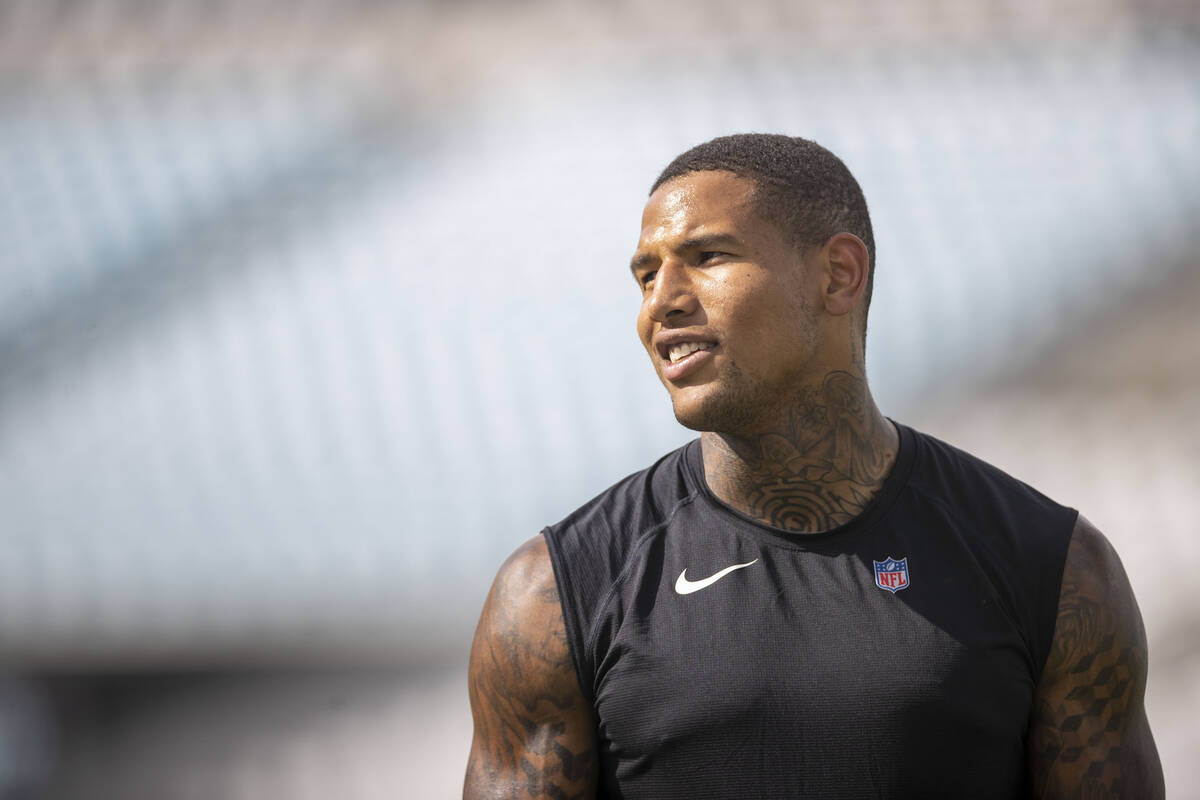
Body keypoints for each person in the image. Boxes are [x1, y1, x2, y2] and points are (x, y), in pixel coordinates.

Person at [462, 134, 1164, 799]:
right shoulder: (554, 596)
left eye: (707, 257)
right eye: (646, 274)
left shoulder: (1054, 572)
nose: (662, 302)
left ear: (838, 275)